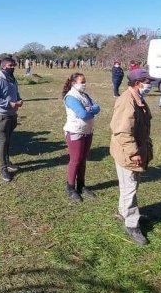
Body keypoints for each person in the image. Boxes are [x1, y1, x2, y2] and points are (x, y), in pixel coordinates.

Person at [110, 68, 154, 245]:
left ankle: (124, 211)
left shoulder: (137, 98)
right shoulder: (127, 101)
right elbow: (121, 131)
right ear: (137, 83)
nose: (150, 85)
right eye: (147, 82)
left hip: (131, 150)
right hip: (128, 153)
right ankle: (131, 224)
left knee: (129, 185)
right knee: (130, 187)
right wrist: (134, 152)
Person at [62, 72, 101, 201]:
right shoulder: (71, 97)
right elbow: (82, 114)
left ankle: (81, 185)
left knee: (83, 159)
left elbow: (97, 107)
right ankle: (70, 187)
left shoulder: (84, 95)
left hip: (87, 131)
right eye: (82, 82)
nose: (84, 84)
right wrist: (90, 110)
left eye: (85, 81)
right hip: (75, 132)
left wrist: (90, 109)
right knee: (75, 160)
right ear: (74, 83)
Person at [0, 57, 22, 182]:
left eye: (14, 65)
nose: (13, 67)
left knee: (8, 139)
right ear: (4, 66)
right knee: (3, 140)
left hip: (12, 114)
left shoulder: (12, 79)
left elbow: (16, 92)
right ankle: (3, 168)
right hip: (2, 114)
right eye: (10, 65)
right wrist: (9, 104)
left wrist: (19, 100)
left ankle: (7, 161)